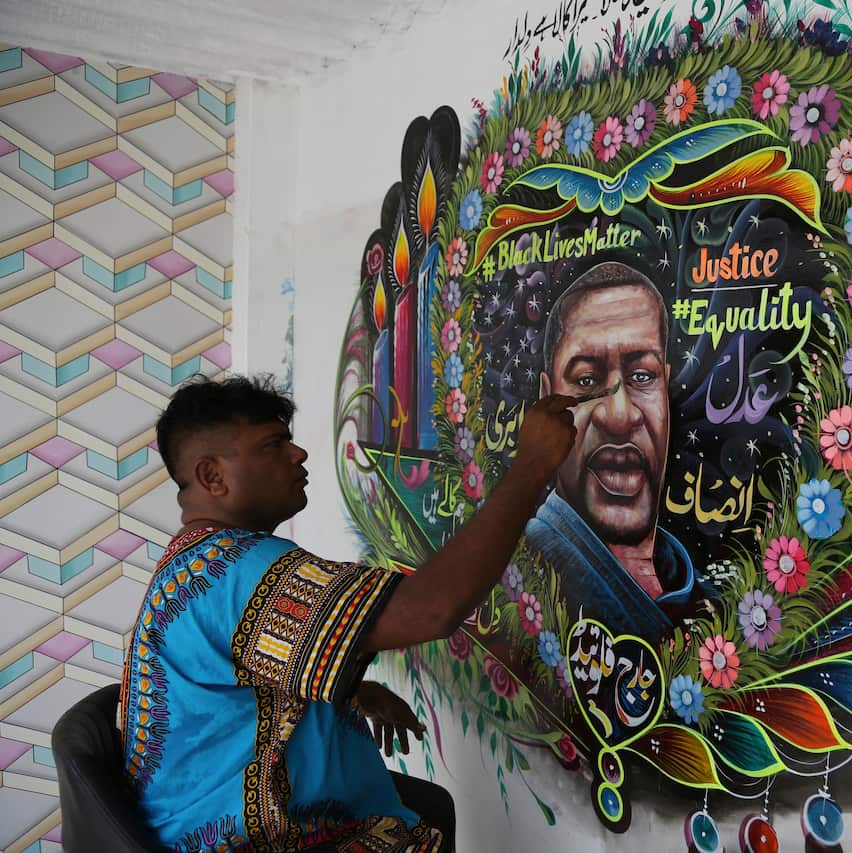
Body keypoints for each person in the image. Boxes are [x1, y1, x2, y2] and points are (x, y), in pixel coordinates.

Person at [120, 375, 577, 852]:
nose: (298, 455)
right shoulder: (239, 572)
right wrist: (532, 466)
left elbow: (233, 679)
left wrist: (355, 688)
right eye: (273, 445)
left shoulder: (194, 563)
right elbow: (433, 609)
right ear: (213, 476)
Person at [525, 261, 714, 642]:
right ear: (547, 402)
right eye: (587, 380)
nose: (620, 415)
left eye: (643, 376)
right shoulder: (529, 567)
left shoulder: (699, 595)